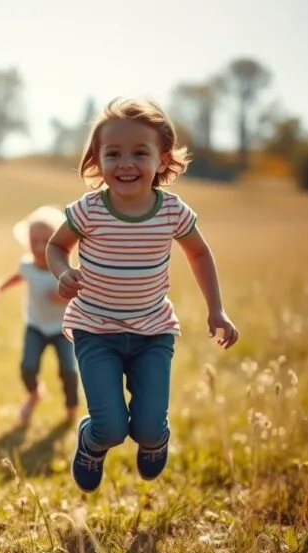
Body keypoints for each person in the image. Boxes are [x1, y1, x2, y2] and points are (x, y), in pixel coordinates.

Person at [45, 98, 239, 493]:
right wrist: (64, 272)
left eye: (139, 152)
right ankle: (92, 442)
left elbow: (199, 252)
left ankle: (154, 442)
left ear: (162, 158)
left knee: (149, 428)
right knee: (110, 427)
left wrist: (216, 309)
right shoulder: (88, 210)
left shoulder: (171, 211)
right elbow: (55, 247)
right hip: (95, 330)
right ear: (97, 160)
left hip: (153, 332)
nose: (126, 163)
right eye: (113, 154)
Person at [0, 205, 79, 427]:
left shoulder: (64, 270)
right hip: (36, 326)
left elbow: (83, 296)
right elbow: (18, 277)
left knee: (68, 370)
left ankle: (71, 407)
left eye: (45, 241)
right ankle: (34, 393)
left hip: (63, 329)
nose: (39, 247)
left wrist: (63, 298)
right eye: (34, 241)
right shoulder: (27, 265)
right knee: (28, 367)